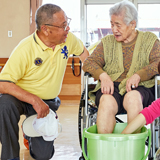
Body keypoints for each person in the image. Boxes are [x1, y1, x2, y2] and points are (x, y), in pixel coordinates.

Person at [0, 3, 89, 160]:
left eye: (67, 22)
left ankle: (30, 135)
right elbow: (3, 84)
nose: (68, 28)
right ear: (46, 29)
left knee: (43, 155)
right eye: (63, 25)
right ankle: (10, 157)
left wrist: (96, 73)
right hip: (21, 99)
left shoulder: (68, 40)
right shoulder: (25, 49)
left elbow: (84, 53)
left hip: (47, 102)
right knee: (4, 104)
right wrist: (34, 100)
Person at [82, 0, 160, 134]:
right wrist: (103, 75)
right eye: (112, 24)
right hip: (111, 86)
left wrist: (139, 74)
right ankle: (106, 150)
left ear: (132, 24)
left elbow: (158, 62)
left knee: (133, 99)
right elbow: (89, 62)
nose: (113, 29)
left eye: (118, 25)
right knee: (105, 101)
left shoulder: (150, 40)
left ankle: (132, 150)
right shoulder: (106, 42)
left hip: (141, 87)